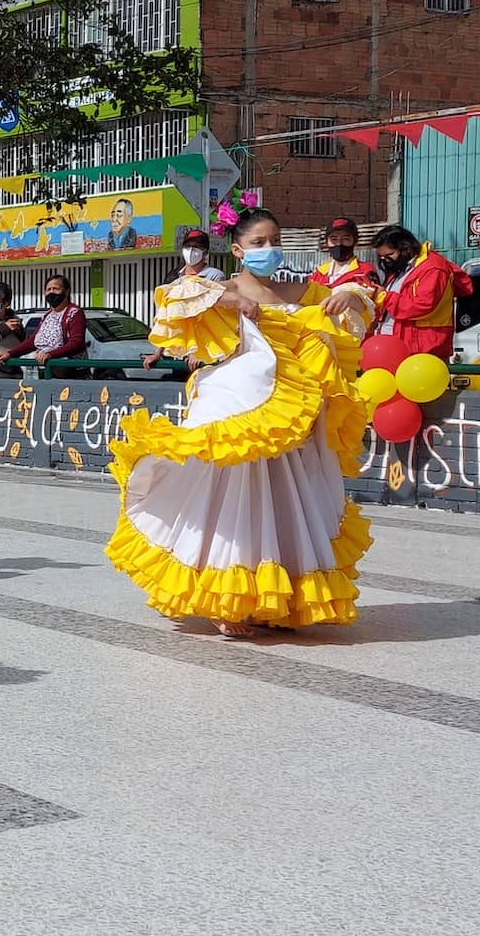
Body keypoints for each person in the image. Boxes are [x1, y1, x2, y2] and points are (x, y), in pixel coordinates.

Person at [107, 207, 377, 637]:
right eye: (259, 243)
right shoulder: (223, 288)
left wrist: (351, 296)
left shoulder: (299, 290)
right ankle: (225, 598)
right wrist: (231, 299)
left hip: (293, 415)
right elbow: (174, 299)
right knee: (235, 499)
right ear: (237, 249)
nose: (269, 249)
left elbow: (360, 303)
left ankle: (277, 600)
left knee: (287, 501)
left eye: (275, 241)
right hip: (240, 407)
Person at [369, 225, 469, 360]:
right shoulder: (401, 269)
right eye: (381, 257)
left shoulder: (433, 268)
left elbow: (422, 305)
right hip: (397, 347)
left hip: (423, 351)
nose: (386, 261)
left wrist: (383, 297)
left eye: (389, 255)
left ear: (406, 249)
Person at [144, 232, 224, 371]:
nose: (191, 250)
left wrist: (198, 353)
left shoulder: (213, 276)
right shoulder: (175, 278)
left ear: (205, 251)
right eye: (188, 246)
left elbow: (212, 317)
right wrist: (158, 353)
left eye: (197, 246)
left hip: (204, 353)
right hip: (179, 351)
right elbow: (168, 318)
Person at [0, 274, 87, 374]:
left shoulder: (74, 313)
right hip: (46, 369)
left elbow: (76, 343)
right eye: (48, 289)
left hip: (70, 372)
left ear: (66, 292)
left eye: (56, 289)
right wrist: (10, 354)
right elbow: (33, 341)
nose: (51, 292)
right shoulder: (47, 315)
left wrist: (51, 354)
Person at [309, 217, 378, 290]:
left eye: (345, 239)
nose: (339, 243)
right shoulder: (318, 274)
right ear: (326, 243)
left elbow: (373, 298)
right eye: (334, 239)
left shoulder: (365, 271)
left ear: (355, 241)